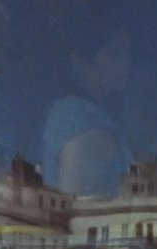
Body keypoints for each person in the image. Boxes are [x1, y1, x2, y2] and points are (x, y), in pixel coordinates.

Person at [41, 29, 134, 198]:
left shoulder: (75, 111)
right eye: (113, 55)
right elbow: (75, 200)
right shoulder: (79, 117)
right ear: (81, 63)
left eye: (127, 54)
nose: (124, 64)